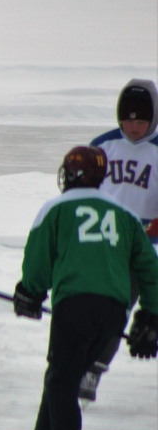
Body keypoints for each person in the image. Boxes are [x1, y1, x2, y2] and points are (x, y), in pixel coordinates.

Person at [0, 145, 158, 430]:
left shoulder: (55, 207)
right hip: (113, 311)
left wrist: (30, 291)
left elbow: (38, 256)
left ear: (69, 175)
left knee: (60, 379)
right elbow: (149, 267)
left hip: (75, 305)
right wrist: (151, 314)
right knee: (63, 377)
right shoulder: (125, 212)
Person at [77, 78, 158, 401]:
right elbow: (80, 191)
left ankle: (92, 371)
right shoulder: (103, 146)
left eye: (141, 121)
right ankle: (80, 362)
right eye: (128, 120)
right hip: (103, 241)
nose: (134, 127)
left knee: (118, 309)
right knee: (94, 307)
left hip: (143, 248)